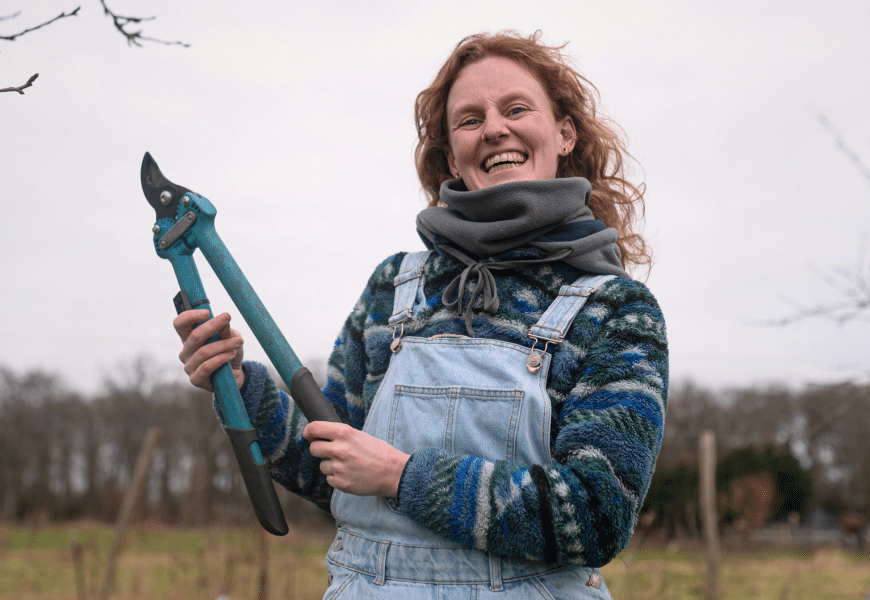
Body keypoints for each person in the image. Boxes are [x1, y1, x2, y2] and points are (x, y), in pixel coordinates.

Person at [175, 31, 667, 600]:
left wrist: (401, 476)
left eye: (516, 109)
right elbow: (331, 468)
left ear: (564, 133)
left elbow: (596, 514)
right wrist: (239, 386)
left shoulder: (616, 309)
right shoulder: (395, 286)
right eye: (470, 120)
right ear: (452, 154)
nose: (494, 129)